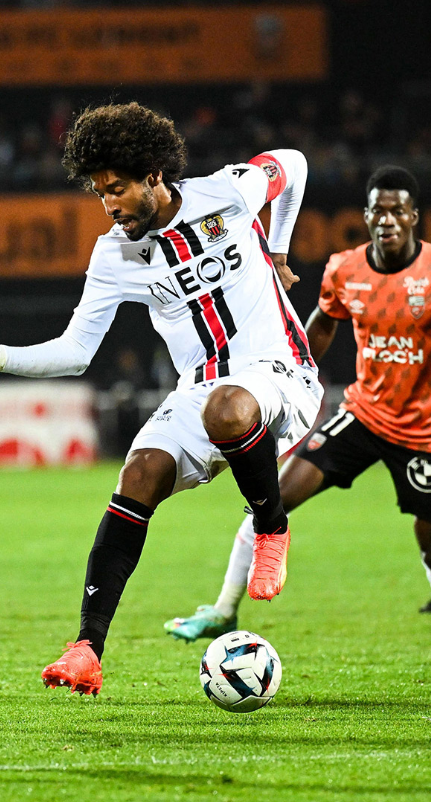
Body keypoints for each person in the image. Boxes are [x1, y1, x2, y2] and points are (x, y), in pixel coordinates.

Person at [0, 102, 322, 695]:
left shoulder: (229, 191)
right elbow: (76, 351)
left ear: (154, 176)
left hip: (279, 373)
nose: (109, 205)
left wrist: (277, 252)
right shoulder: (112, 254)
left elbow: (291, 165)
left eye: (117, 189)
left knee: (228, 408)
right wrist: (0, 355)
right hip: (200, 388)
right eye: (99, 193)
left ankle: (270, 526)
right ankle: (87, 646)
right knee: (138, 473)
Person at [165, 165, 431, 641]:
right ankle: (224, 608)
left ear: (415, 217)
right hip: (364, 415)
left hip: (423, 429)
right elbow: (325, 323)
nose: (387, 219)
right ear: (366, 216)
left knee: (428, 531)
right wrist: (296, 368)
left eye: (398, 210)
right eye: (378, 210)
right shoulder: (345, 268)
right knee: (272, 499)